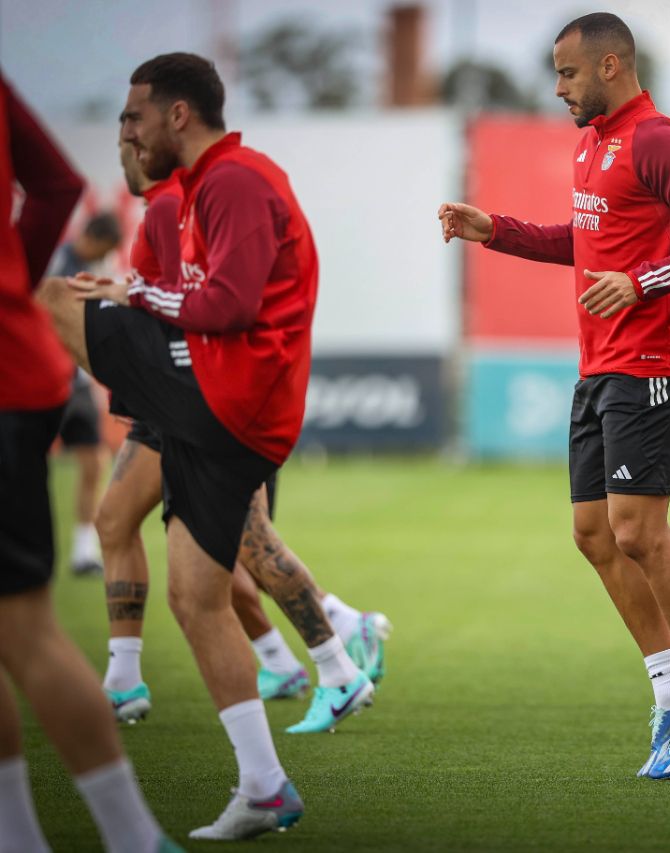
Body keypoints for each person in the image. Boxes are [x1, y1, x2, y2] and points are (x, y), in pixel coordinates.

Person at [439, 12, 670, 780]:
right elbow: (585, 244)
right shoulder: (592, 144)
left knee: (638, 529)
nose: (558, 87)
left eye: (568, 72)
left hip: (653, 361)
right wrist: (494, 229)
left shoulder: (659, 139)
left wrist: (643, 282)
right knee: (594, 534)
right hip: (600, 364)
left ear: (611, 66)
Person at [38, 52, 332, 839]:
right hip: (222, 403)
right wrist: (138, 295)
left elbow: (228, 307)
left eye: (134, 116)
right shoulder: (203, 187)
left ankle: (337, 649)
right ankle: (266, 785)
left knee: (51, 293)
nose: (126, 132)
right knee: (196, 596)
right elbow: (208, 295)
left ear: (178, 114)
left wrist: (132, 293)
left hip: (226, 391)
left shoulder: (233, 180)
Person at [97, 140, 389, 728]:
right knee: (199, 546)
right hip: (194, 401)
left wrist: (122, 313)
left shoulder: (173, 205)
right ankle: (291, 661)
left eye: (133, 132)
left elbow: (192, 306)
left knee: (236, 548)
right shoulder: (180, 203)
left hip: (199, 404)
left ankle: (336, 649)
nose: (126, 146)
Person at [0, 72, 179, 853]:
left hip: (30, 378)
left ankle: (134, 835)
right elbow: (56, 184)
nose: (127, 136)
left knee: (28, 626)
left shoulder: (180, 206)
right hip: (29, 373)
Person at [48, 213, 122, 577]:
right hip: (46, 379)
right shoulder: (56, 263)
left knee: (94, 461)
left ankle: (83, 552)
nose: (103, 256)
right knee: (25, 467)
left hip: (75, 384)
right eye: (103, 248)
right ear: (91, 237)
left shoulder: (95, 268)